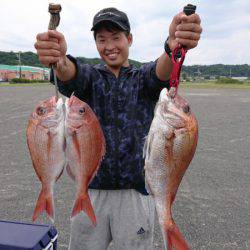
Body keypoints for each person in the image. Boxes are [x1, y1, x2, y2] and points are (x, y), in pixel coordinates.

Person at [35, 7, 202, 250]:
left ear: (129, 39)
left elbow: (162, 70)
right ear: (95, 44)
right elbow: (69, 72)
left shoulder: (142, 79)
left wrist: (172, 45)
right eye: (101, 39)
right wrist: (59, 59)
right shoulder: (90, 78)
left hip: (135, 194)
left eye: (116, 37)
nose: (109, 45)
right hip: (90, 192)